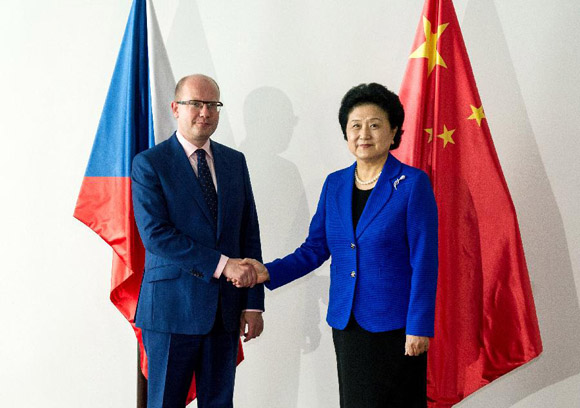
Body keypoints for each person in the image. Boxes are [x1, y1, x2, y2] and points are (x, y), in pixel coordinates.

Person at [240, 83, 438, 408]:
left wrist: (419, 326)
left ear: (393, 132)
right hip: (347, 324)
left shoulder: (412, 184)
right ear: (346, 134)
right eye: (355, 125)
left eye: (374, 125)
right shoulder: (335, 184)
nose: (364, 133)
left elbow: (425, 262)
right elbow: (314, 250)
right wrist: (267, 272)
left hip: (396, 327)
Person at [131, 74, 264, 408]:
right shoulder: (149, 164)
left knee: (220, 403)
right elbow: (156, 236)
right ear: (176, 108)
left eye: (212, 105)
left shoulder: (235, 162)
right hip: (170, 310)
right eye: (195, 104)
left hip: (225, 311)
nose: (205, 112)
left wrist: (253, 302)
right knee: (164, 402)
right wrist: (223, 265)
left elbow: (248, 232)